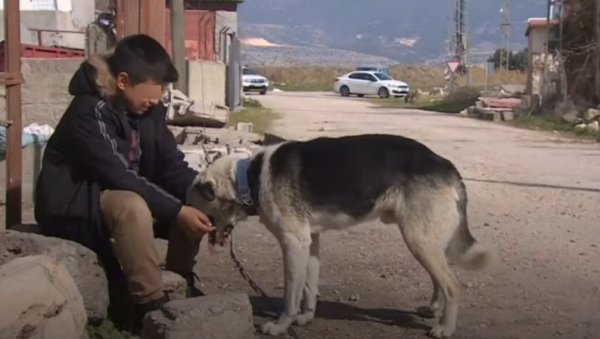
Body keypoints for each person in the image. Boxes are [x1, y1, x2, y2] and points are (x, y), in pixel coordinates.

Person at [34, 34, 214, 323]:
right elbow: (119, 175)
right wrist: (178, 211)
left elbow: (171, 165)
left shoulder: (147, 110)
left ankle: (179, 280)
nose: (159, 98)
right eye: (154, 90)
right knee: (132, 205)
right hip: (74, 203)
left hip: (121, 195)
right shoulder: (89, 111)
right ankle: (149, 305)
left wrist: (208, 200)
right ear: (122, 81)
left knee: (194, 197)